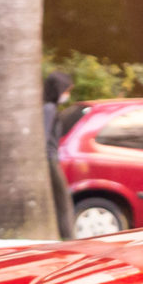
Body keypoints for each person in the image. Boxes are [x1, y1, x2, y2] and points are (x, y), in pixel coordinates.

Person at [43, 70, 77, 239]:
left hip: (51, 158)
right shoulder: (49, 109)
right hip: (49, 160)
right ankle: (68, 238)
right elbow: (45, 135)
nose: (67, 94)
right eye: (66, 90)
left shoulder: (49, 108)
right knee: (63, 201)